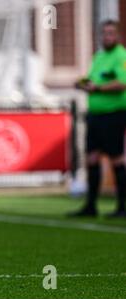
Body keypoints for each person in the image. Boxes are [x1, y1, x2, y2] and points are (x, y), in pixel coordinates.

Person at [71, 20, 126, 218]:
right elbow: (92, 79)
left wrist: (99, 89)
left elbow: (122, 83)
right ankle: (91, 206)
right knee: (91, 158)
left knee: (116, 158)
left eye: (111, 33)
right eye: (104, 34)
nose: (107, 37)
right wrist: (81, 83)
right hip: (95, 115)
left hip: (114, 114)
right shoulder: (99, 56)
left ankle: (122, 206)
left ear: (117, 36)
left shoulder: (121, 56)